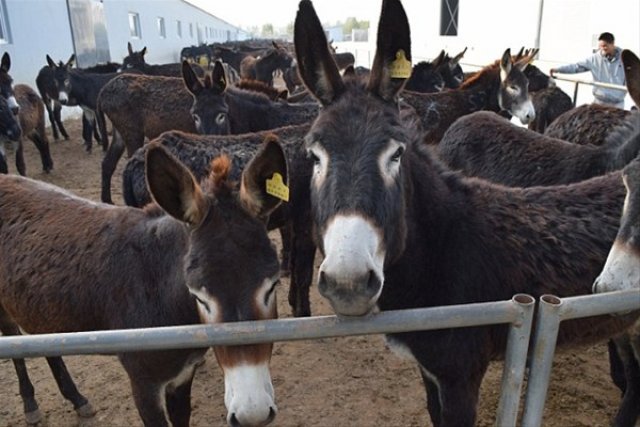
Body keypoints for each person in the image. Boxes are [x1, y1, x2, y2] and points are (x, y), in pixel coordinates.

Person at [550, 32, 626, 109]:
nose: (602, 48)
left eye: (605, 46)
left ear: (612, 43)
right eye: (600, 46)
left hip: (617, 104)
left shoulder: (625, 58)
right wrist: (558, 70)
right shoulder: (595, 58)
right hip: (599, 102)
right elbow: (577, 67)